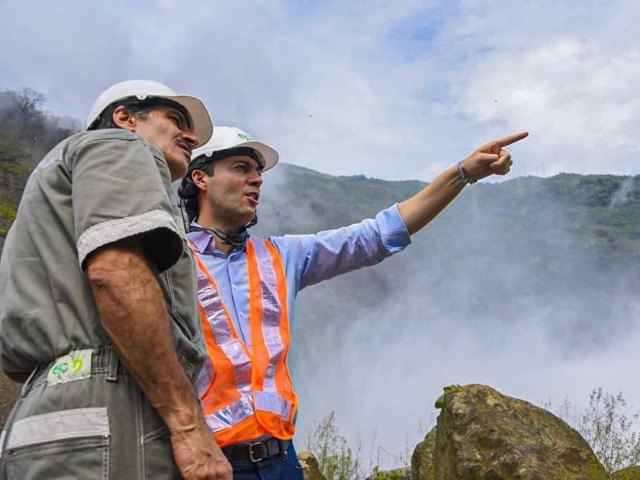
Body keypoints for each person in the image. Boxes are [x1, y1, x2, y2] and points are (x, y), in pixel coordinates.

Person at [177, 125, 528, 478]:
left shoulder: (280, 255)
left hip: (281, 461)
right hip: (208, 463)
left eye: (258, 172)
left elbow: (376, 236)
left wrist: (463, 173)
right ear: (201, 178)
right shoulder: (171, 259)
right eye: (241, 168)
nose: (257, 179)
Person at [0, 80, 234, 480]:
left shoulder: (47, 192)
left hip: (45, 411)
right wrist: (188, 425)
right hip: (113, 409)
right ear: (125, 118)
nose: (191, 136)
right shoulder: (121, 146)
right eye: (175, 119)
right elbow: (115, 273)